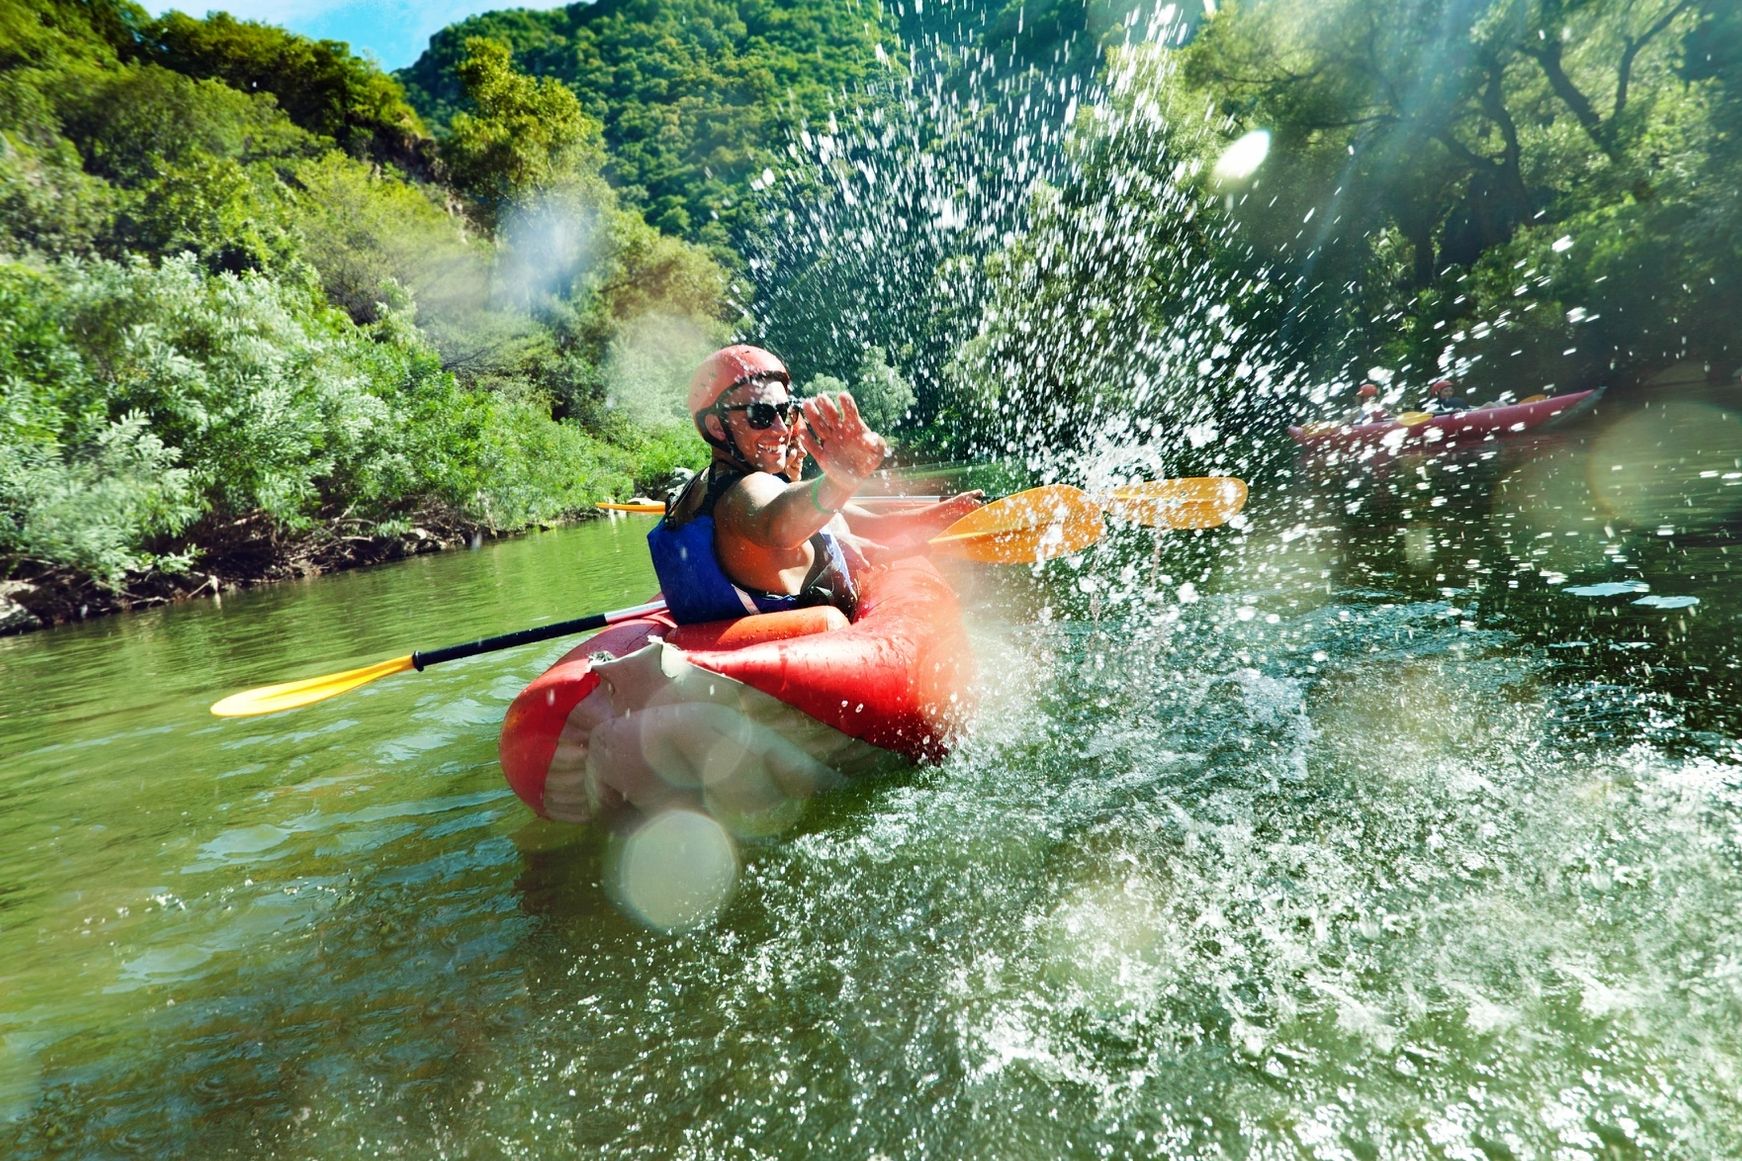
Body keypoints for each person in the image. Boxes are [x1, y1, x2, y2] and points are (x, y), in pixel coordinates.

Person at [648, 344, 983, 625]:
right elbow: (776, 524)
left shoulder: (702, 486)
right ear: (717, 427)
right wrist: (842, 478)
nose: (780, 429)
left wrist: (934, 513)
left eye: (787, 412)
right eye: (760, 415)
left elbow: (826, 516)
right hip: (785, 684)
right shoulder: (741, 493)